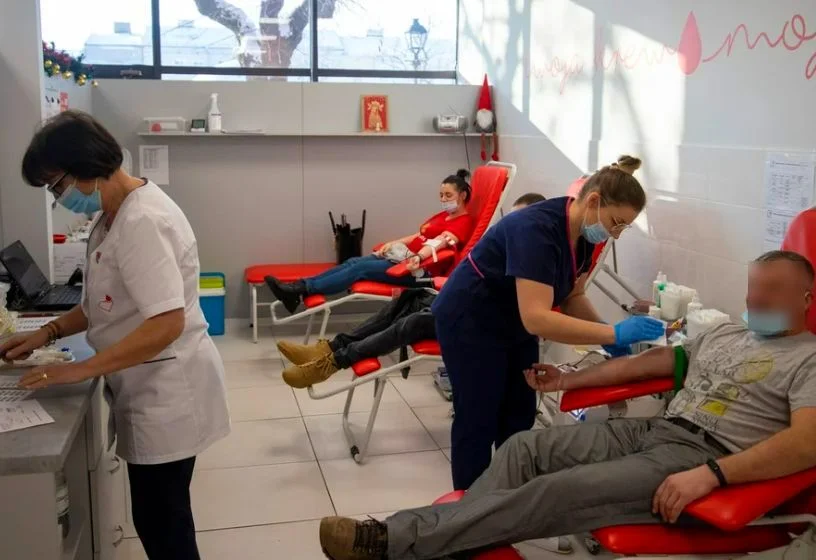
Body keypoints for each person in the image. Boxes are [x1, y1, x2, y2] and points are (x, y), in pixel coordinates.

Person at [318, 250, 816, 560]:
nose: (757, 299)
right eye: (753, 287)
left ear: (807, 299)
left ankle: (388, 539)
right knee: (522, 449)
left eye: (773, 290)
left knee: (556, 491)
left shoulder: (809, 358)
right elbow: (652, 363)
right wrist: (567, 378)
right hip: (656, 431)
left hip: (703, 456)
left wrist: (713, 474)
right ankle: (452, 544)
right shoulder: (728, 332)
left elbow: (806, 443)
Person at [3, 110, 230, 560]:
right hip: (145, 385)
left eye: (56, 185)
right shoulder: (113, 215)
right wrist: (47, 332)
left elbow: (166, 323)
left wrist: (81, 370)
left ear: (85, 166)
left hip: (167, 392)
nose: (58, 198)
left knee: (164, 527)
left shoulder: (142, 221)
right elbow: (99, 304)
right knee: (157, 518)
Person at [431, 155, 665, 491]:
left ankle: (508, 495)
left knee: (519, 414)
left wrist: (606, 335)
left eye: (623, 227)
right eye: (616, 222)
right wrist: (612, 332)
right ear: (594, 201)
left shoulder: (585, 235)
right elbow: (537, 318)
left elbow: (572, 295)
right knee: (478, 419)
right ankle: (469, 507)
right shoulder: (535, 230)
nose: (615, 233)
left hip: (513, 322)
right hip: (471, 320)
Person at [277, 193, 547, 389]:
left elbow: (517, 309)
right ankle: (330, 347)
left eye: (519, 219)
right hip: (459, 301)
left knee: (413, 321)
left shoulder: (535, 262)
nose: (512, 226)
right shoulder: (506, 249)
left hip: (478, 322)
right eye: (511, 219)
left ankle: (332, 363)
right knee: (409, 297)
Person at [265, 169, 475, 314]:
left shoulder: (464, 222)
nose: (443, 199)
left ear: (463, 195)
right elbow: (417, 235)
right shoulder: (443, 216)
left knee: (360, 270)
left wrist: (419, 258)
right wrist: (392, 243)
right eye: (441, 195)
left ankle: (298, 291)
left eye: (448, 195)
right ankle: (299, 287)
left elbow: (439, 242)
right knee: (353, 261)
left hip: (417, 271)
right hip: (402, 258)